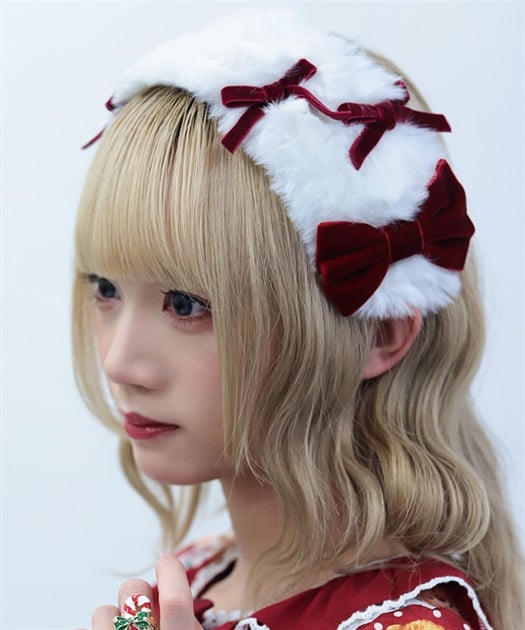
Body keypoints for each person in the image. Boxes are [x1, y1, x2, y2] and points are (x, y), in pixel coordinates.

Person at [73, 12, 524, 630]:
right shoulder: (195, 579)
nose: (120, 363)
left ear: (379, 332)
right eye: (105, 289)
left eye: (186, 304)